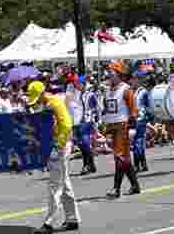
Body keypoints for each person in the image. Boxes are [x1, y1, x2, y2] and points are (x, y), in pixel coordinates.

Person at [26, 81, 79, 234]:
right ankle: (72, 218)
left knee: (55, 184)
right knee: (64, 182)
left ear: (43, 93)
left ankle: (49, 222)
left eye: (37, 98)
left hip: (60, 145)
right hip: (54, 145)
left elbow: (67, 125)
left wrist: (58, 146)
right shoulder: (44, 104)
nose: (36, 102)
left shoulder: (55, 103)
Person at [102, 61, 140, 198]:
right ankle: (135, 185)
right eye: (108, 73)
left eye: (111, 73)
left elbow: (134, 110)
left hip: (123, 126)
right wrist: (105, 127)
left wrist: (132, 127)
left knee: (119, 157)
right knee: (123, 158)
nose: (108, 75)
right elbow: (106, 110)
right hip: (111, 127)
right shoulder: (107, 90)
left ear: (118, 74)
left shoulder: (126, 89)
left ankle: (116, 188)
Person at [65, 73, 98, 176]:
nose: (77, 85)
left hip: (87, 122)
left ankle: (87, 165)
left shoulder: (90, 94)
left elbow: (96, 108)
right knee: (81, 144)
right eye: (76, 84)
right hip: (76, 122)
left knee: (85, 142)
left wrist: (94, 121)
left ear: (83, 84)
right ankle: (90, 164)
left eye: (79, 83)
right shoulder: (75, 94)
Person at [133, 76, 154, 173]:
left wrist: (150, 118)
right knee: (137, 143)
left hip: (141, 120)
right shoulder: (130, 91)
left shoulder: (144, 92)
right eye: (132, 80)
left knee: (138, 142)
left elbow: (149, 106)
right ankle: (143, 164)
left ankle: (137, 165)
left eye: (134, 79)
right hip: (132, 120)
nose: (132, 81)